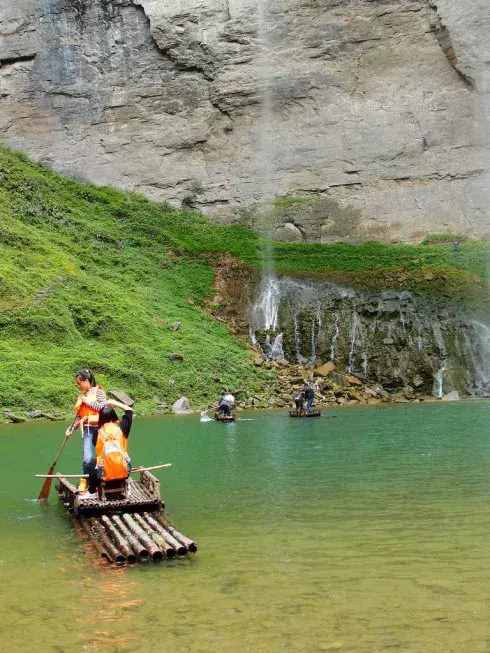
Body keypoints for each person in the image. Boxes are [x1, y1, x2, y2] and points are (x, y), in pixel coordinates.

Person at [66, 369, 106, 494]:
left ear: (87, 380)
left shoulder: (99, 392)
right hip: (87, 429)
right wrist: (71, 428)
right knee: (87, 459)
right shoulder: (81, 396)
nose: (78, 386)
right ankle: (86, 479)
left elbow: (102, 407)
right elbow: (79, 416)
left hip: (101, 429)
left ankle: (101, 481)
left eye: (79, 383)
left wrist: (87, 401)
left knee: (101, 458)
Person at [95, 399, 134, 487]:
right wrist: (114, 403)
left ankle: (96, 485)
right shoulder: (121, 428)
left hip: (103, 476)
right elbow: (129, 411)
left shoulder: (98, 432)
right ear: (115, 418)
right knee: (125, 459)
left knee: (95, 460)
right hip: (124, 473)